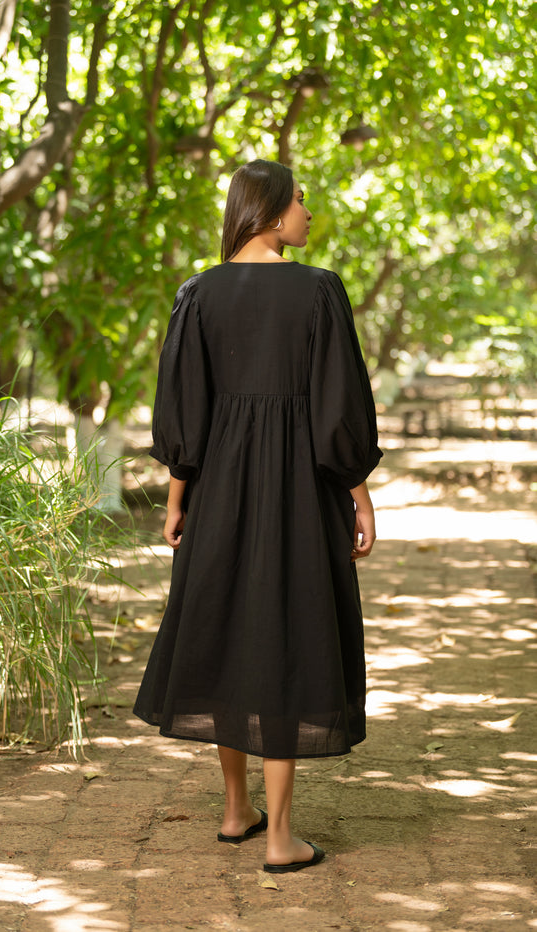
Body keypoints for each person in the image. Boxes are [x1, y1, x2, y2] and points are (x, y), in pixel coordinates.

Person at [134, 158, 382, 873]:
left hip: (220, 490)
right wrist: (358, 491)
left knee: (227, 630)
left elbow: (184, 411)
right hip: (300, 490)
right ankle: (279, 839)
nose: (310, 212)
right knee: (288, 635)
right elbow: (338, 409)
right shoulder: (319, 292)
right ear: (271, 211)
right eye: (302, 200)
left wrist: (178, 501)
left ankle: (237, 809)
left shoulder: (197, 294)